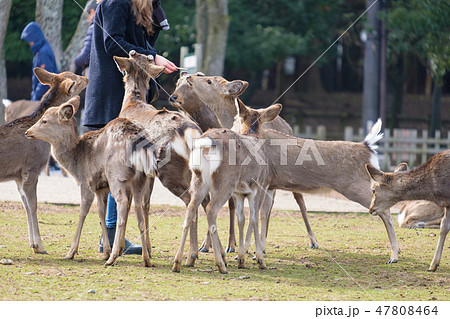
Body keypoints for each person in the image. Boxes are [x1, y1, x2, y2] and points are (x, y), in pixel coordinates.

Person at [83, 0, 177, 255]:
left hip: (128, 96)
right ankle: (112, 237)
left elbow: (140, 42)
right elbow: (112, 43)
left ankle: (113, 238)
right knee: (118, 167)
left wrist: (155, 19)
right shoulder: (117, 3)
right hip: (114, 95)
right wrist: (151, 57)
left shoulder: (136, 7)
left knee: (123, 165)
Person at [20, 22, 59, 101]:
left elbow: (47, 79)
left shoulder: (43, 52)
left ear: (34, 38)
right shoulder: (39, 51)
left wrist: (35, 97)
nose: (30, 43)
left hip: (45, 98)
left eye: (30, 40)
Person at [74, 0, 98, 76]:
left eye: (88, 16)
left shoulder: (93, 28)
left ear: (92, 12)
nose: (88, 19)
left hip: (92, 72)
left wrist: (77, 61)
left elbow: (85, 56)